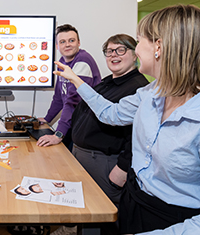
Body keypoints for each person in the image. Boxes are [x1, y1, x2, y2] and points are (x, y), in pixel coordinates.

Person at [55, 5, 200, 234]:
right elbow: (110, 113)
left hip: (175, 221)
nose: (136, 48)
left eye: (139, 41)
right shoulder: (149, 94)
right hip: (134, 202)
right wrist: (75, 80)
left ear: (159, 47)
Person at [71, 34, 149, 206]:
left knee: (101, 215)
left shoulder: (138, 88)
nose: (114, 55)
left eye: (121, 50)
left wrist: (122, 168)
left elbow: (140, 136)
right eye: (109, 51)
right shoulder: (107, 83)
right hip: (83, 158)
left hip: (104, 163)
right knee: (85, 211)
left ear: (135, 54)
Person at [37, 24, 101, 149]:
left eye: (71, 40)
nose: (67, 45)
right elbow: (59, 97)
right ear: (57, 46)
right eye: (62, 42)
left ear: (79, 43)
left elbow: (73, 101)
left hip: (86, 126)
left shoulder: (82, 60)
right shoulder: (62, 62)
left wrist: (58, 134)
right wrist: (47, 119)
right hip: (74, 122)